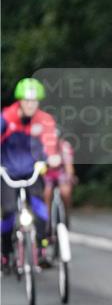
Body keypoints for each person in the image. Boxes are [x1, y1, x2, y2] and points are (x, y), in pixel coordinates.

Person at [1, 78, 58, 274]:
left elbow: (50, 143)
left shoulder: (44, 120)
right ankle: (6, 252)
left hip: (32, 171)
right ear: (19, 101)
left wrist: (51, 158)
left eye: (34, 101)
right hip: (7, 171)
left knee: (40, 208)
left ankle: (42, 249)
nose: (31, 105)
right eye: (27, 101)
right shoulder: (6, 119)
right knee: (8, 211)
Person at [44, 127, 76, 231]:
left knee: (65, 192)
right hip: (47, 174)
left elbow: (69, 166)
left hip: (61, 173)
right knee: (47, 193)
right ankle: (47, 220)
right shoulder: (44, 148)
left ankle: (66, 213)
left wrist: (70, 176)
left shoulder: (65, 147)